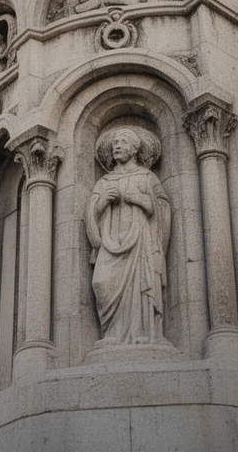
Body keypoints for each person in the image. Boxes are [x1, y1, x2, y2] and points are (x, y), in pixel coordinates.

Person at [85, 127, 172, 345]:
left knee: (142, 282)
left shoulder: (147, 177)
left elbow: (162, 209)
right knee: (101, 282)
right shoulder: (104, 182)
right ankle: (112, 333)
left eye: (122, 142)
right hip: (110, 240)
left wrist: (143, 201)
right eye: (115, 142)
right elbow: (90, 214)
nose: (116, 146)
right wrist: (103, 201)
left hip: (140, 241)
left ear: (134, 149)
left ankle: (143, 332)